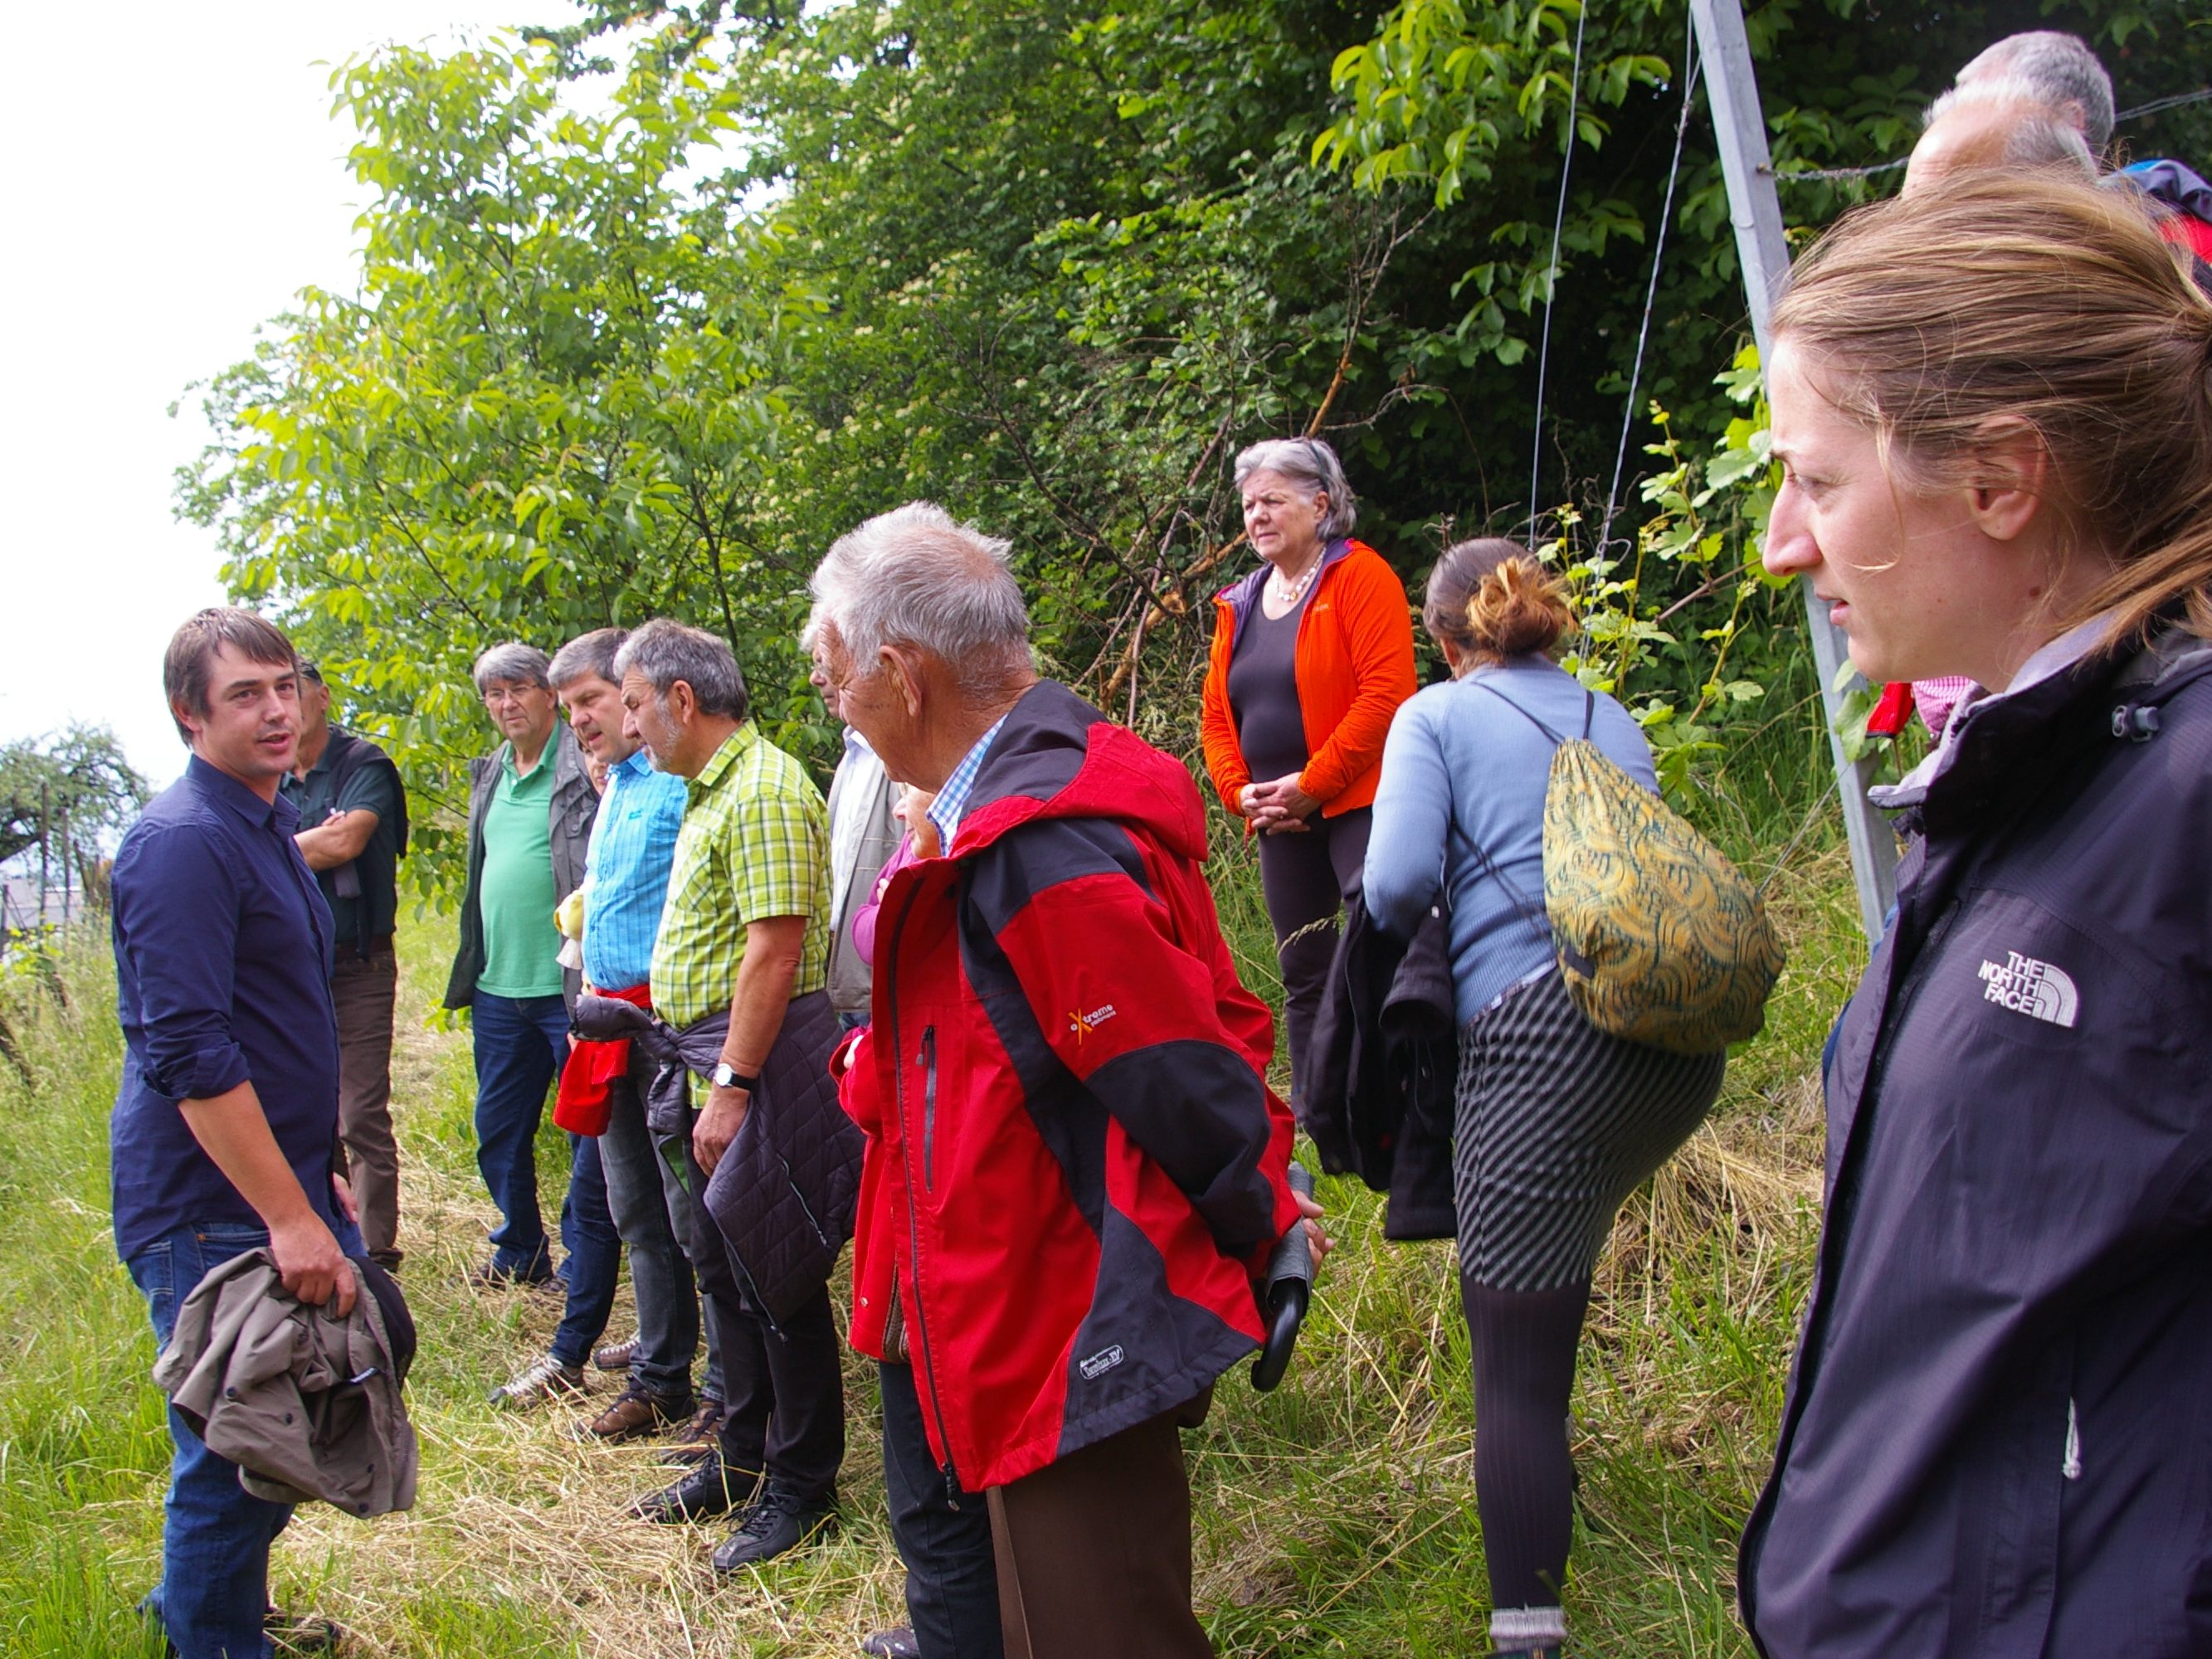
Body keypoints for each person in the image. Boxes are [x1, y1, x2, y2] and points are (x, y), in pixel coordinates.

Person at [1737, 175, 2212, 1654]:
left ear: (2001, 482)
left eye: (1816, 482)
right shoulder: (2032, 768)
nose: (1778, 543)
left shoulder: (2183, 801)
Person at [812, 501, 1318, 1659]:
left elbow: (1173, 1063)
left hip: (1064, 1315)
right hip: (1012, 1309)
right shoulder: (996, 815)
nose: (838, 708)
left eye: (837, 681)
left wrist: (1262, 1218)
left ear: (901, 672)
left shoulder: (1035, 840)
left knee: (1099, 1629)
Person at [1362, 541, 1727, 1659]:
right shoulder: (1605, 710)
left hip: (1541, 1051)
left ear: (1442, 635)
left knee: (1511, 1363)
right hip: (1669, 1053)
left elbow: (1393, 884)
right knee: (1545, 1303)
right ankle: (1551, 1497)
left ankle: (1526, 1630)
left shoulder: (1430, 718)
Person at [111, 608, 363, 1658]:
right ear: (188, 715)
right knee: (232, 1444)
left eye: (284, 687)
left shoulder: (265, 818)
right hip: (213, 1208)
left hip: (279, 1181)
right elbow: (193, 1054)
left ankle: (215, 1606)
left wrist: (325, 1170)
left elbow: (286, 1007)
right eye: (243, 694)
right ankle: (207, 1635)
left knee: (276, 1426)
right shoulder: (180, 843)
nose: (275, 710)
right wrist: (285, 1212)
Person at [613, 617, 847, 1572]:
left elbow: (775, 948)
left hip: (751, 1061)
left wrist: (733, 1086)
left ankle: (802, 1484)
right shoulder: (705, 792)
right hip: (700, 1056)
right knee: (722, 1268)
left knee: (775, 1274)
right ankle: (741, 1456)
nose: (629, 727)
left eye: (633, 704)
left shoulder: (760, 786)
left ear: (680, 698)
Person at [488, 629, 714, 1449]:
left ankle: (722, 1385)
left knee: (694, 1215)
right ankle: (661, 1374)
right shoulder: (616, 781)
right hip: (605, 1024)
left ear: (632, 693)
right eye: (573, 704)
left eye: (589, 699)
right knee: (636, 1213)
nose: (578, 717)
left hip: (664, 1029)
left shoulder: (677, 783)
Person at [1200, 436, 1415, 1102]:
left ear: (1320, 504)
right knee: (1304, 968)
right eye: (1248, 504)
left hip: (1357, 802)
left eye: (1273, 500)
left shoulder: (1360, 575)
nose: (1257, 515)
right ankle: (1320, 1111)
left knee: (1378, 954)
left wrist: (1312, 786)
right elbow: (1214, 718)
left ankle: (1397, 1099)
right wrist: (1243, 796)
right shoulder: (1238, 602)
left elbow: (1387, 696)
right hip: (1277, 820)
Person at [442, 642, 608, 1290]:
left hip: (563, 987)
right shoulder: (491, 774)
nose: (506, 704)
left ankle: (580, 1258)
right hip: (497, 986)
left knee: (581, 1133)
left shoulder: (583, 770)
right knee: (497, 1128)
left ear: (548, 695)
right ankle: (519, 1247)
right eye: (494, 694)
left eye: (518, 690)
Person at [282, 660, 410, 1270]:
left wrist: (270, 850)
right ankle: (326, 1233)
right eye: (272, 693)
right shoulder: (274, 778)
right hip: (290, 973)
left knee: (359, 1110)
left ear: (323, 697)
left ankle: (376, 1251)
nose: (283, 707)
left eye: (293, 690)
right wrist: (295, 848)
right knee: (307, 1109)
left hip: (358, 965)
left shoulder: (363, 764)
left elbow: (345, 841)